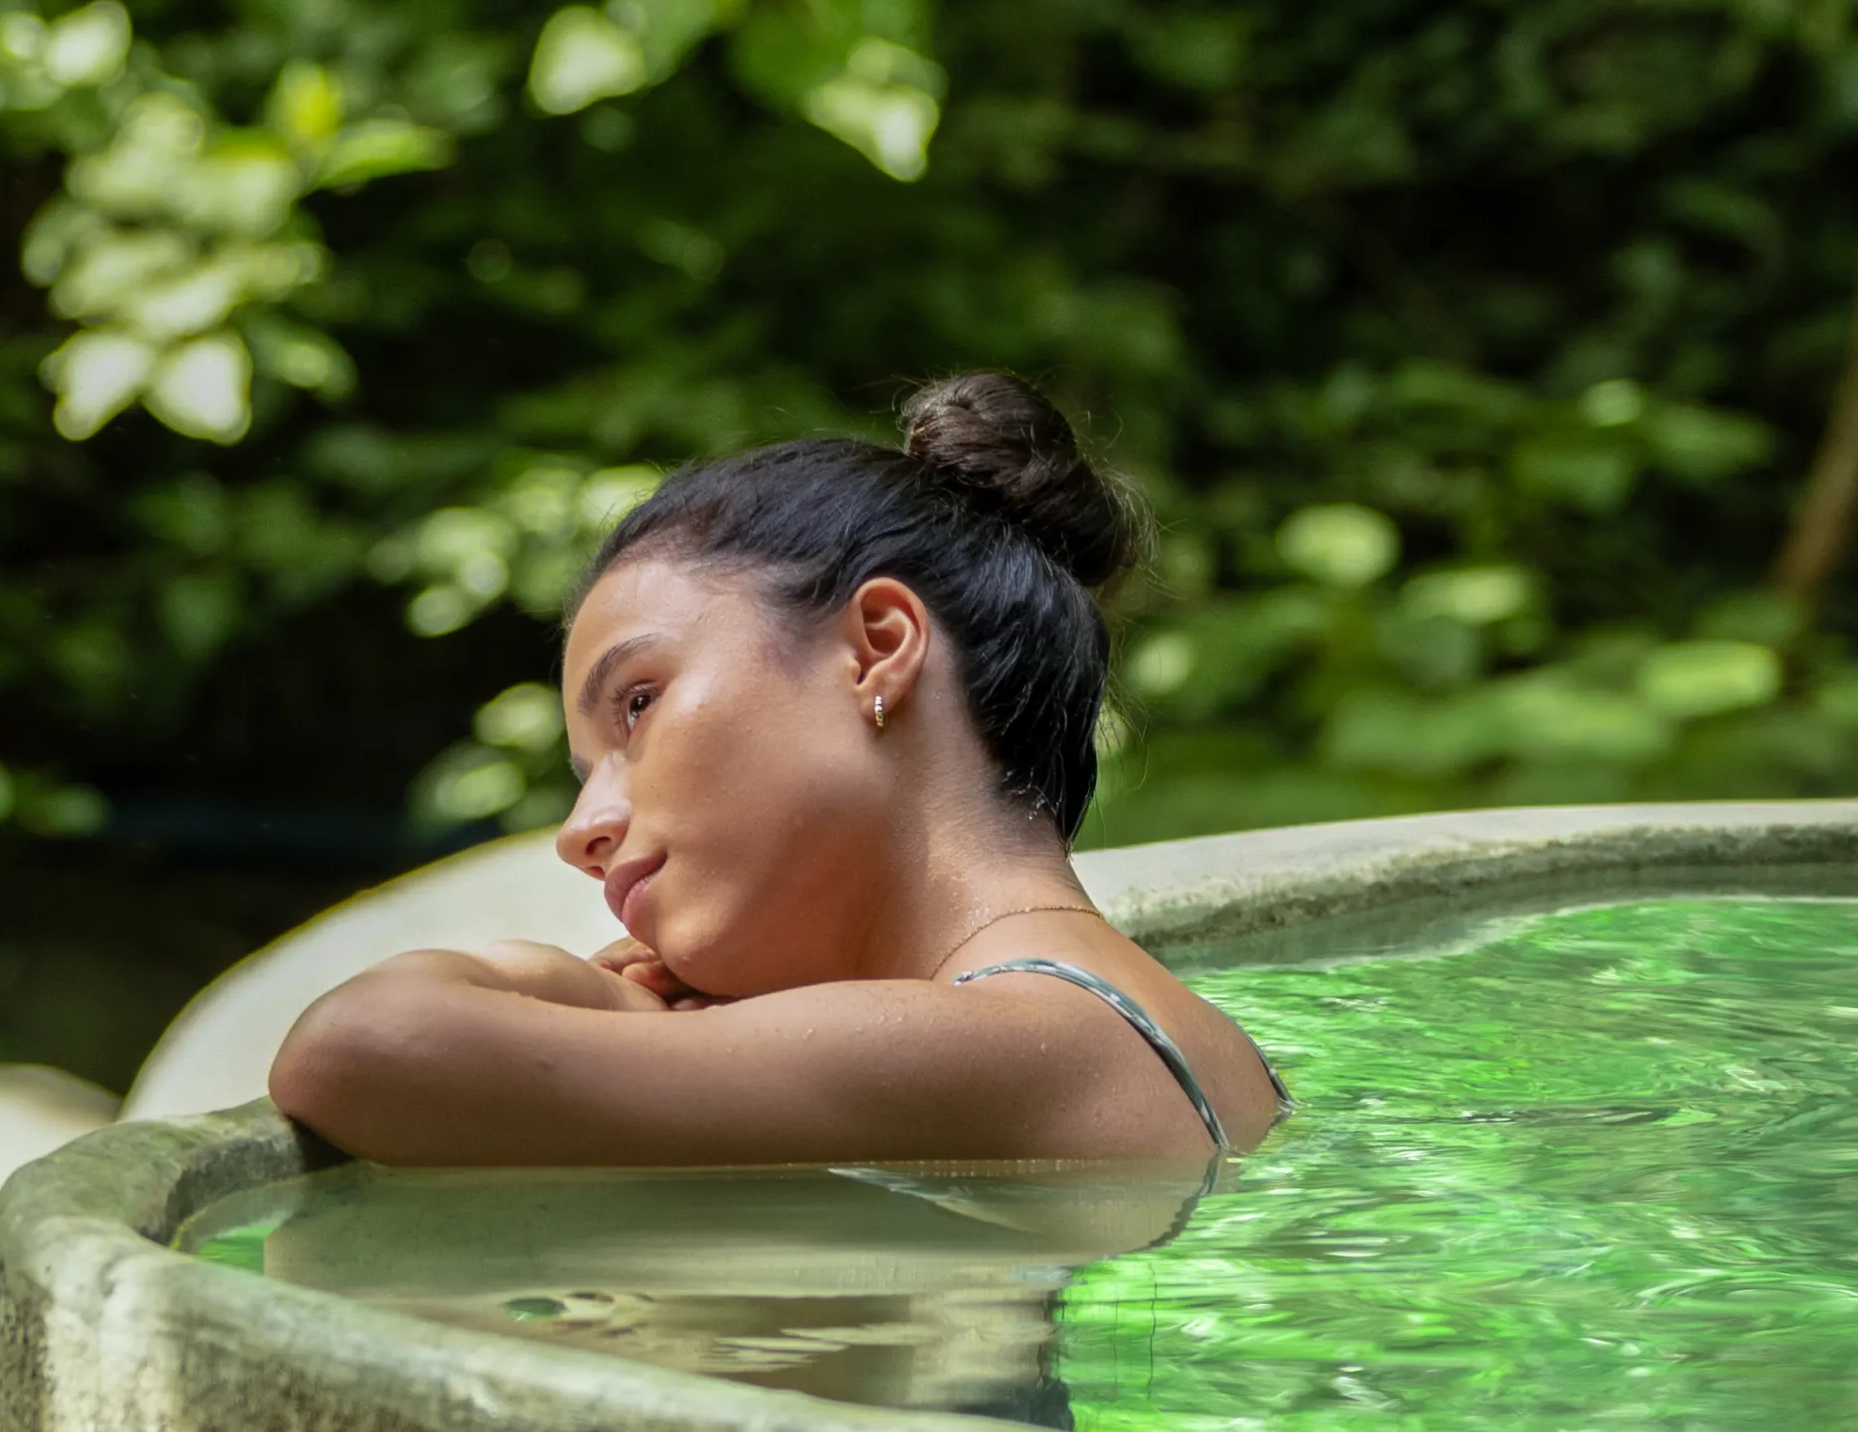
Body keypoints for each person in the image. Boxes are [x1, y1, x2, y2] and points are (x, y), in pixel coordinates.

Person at [269, 373, 1287, 1168]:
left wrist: (574, 991)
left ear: (877, 646)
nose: (581, 829)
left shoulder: (1013, 1039)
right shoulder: (1115, 1023)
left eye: (639, 703)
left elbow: (361, 1048)